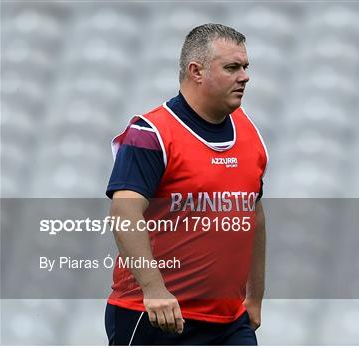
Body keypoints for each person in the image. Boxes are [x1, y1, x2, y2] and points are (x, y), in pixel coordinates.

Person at [104, 23, 268, 345]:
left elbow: (254, 215)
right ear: (196, 71)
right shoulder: (150, 133)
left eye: (245, 67)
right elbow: (124, 211)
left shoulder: (250, 132)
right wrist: (153, 289)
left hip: (229, 321)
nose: (245, 76)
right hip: (157, 315)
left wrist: (255, 295)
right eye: (232, 67)